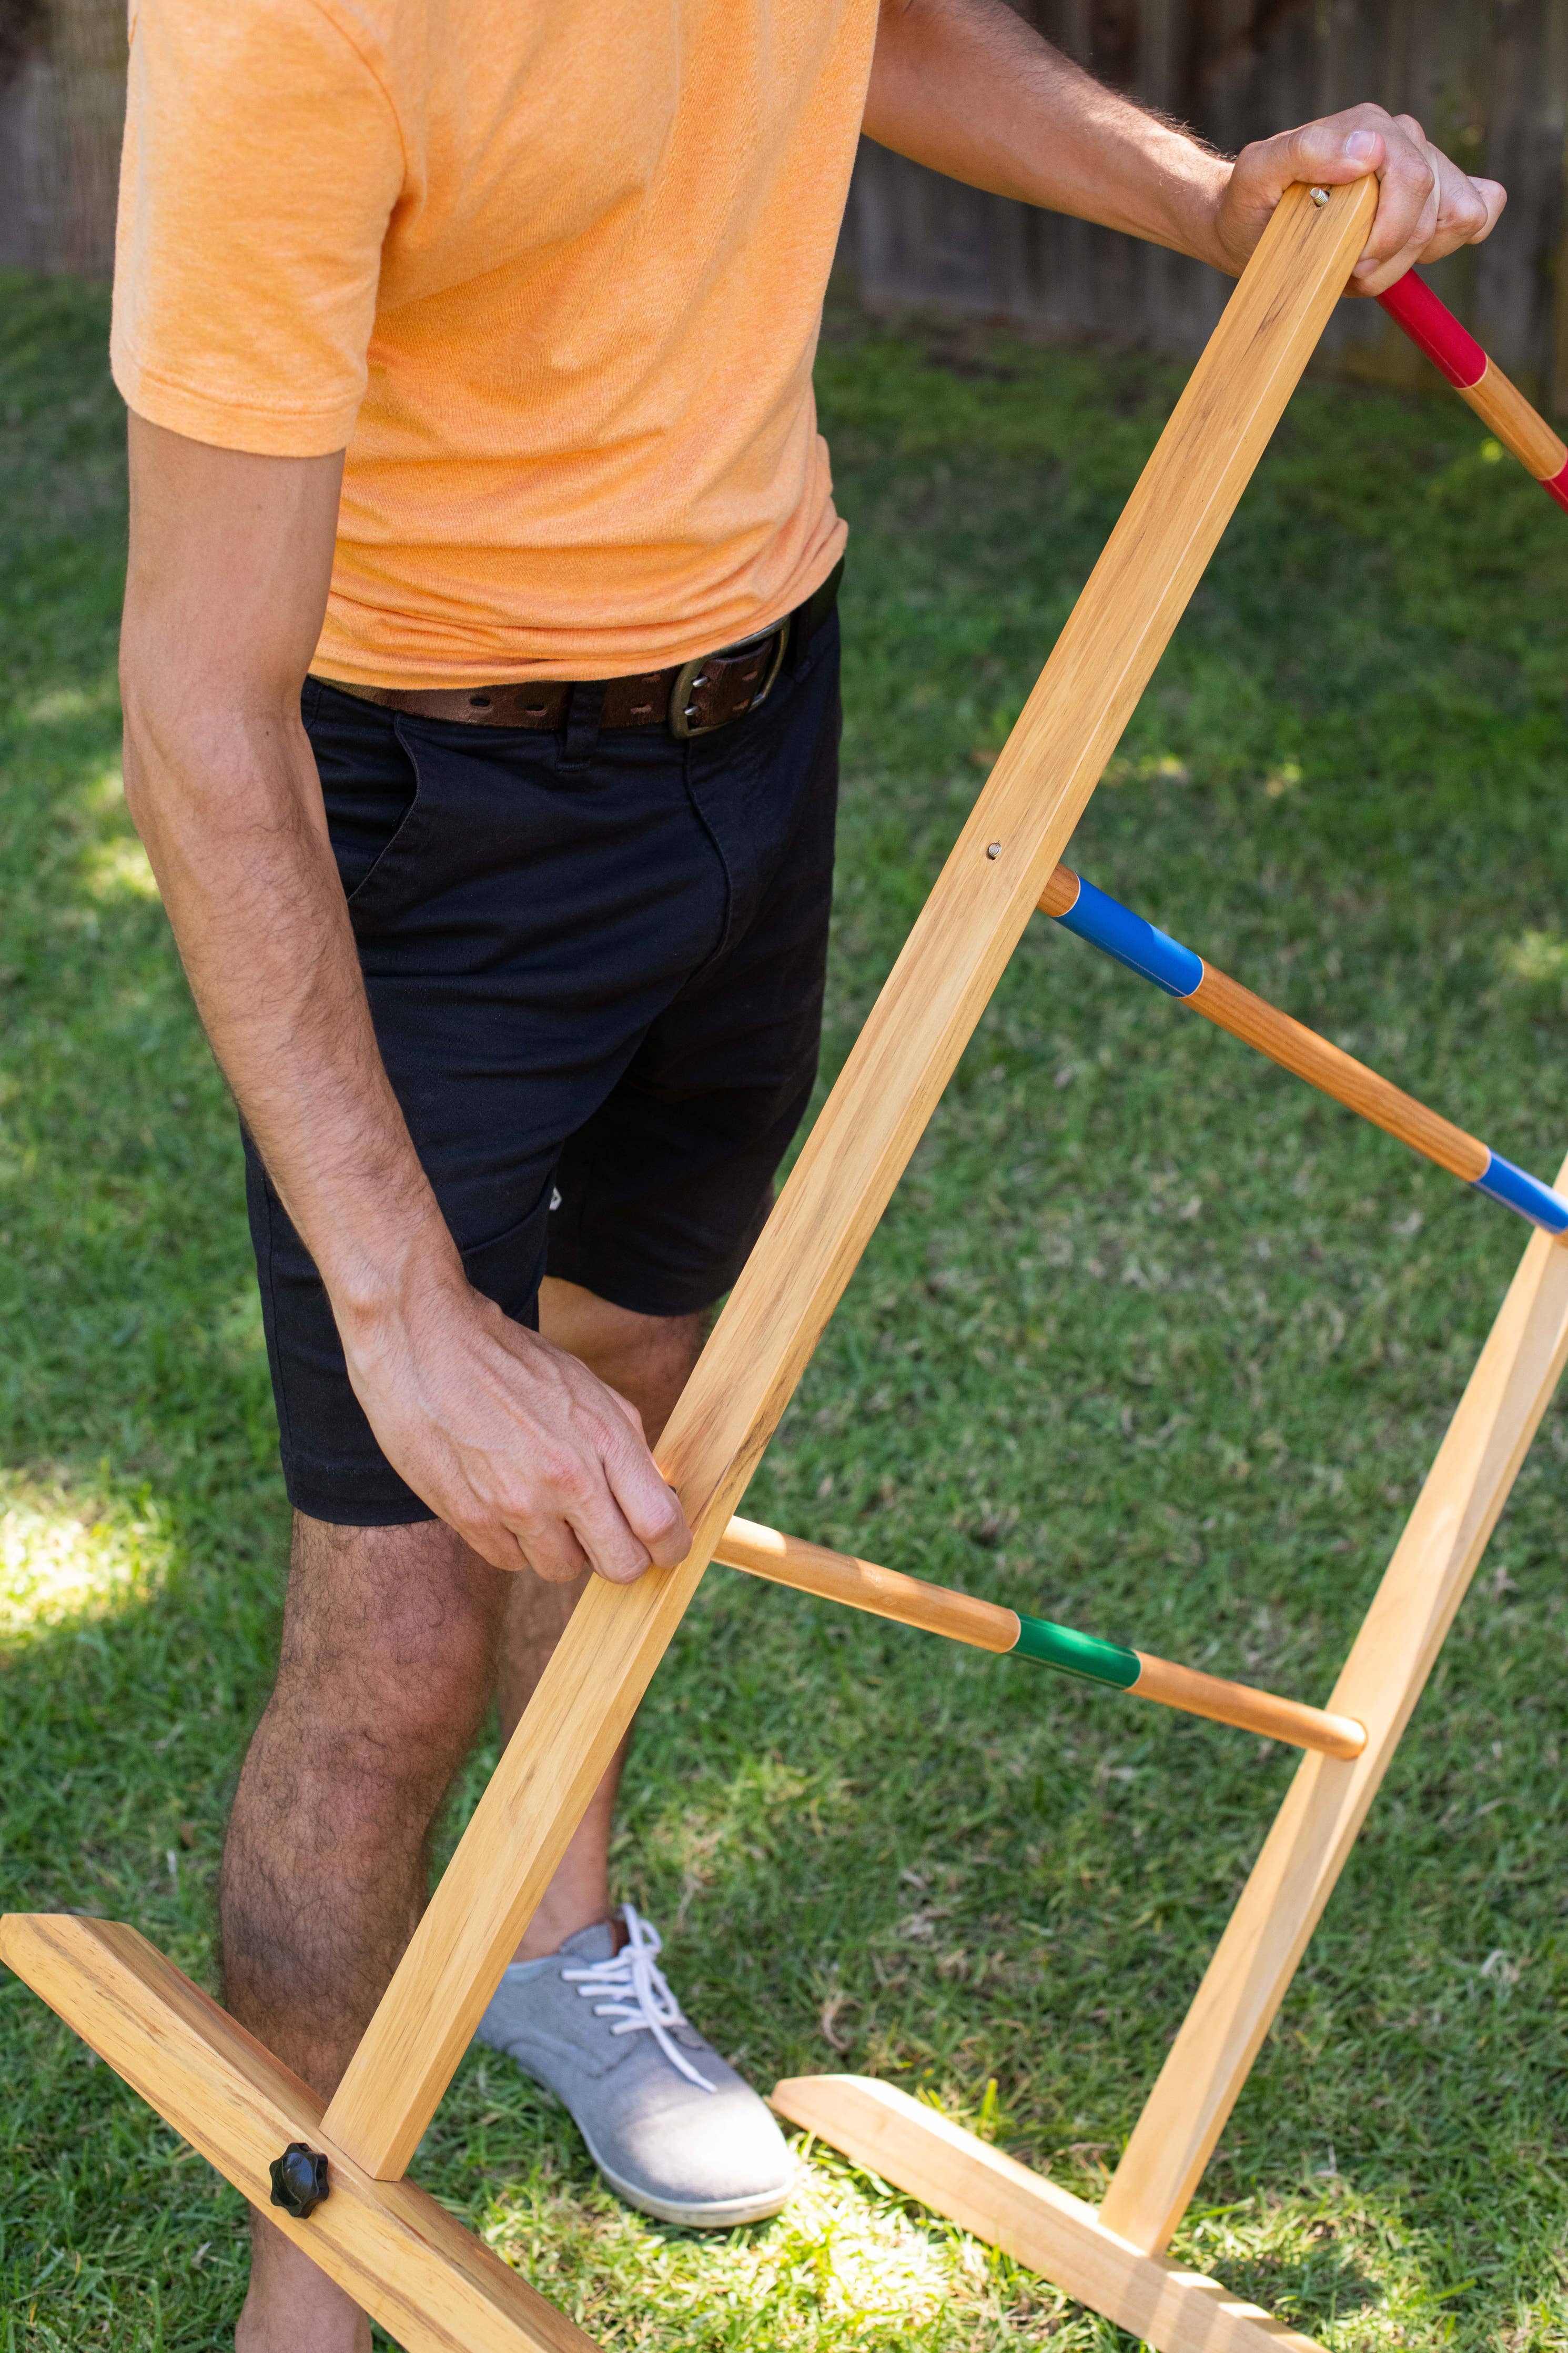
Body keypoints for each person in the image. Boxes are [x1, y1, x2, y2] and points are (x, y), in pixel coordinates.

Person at [111, 0, 1504, 2342]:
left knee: (637, 1394)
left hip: (753, 705)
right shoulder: (285, 28)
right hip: (415, 794)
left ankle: (559, 1937)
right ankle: (307, 2256)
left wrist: (1203, 196)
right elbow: (194, 700)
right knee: (396, 1617)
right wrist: (399, 1304)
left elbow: (880, 26)